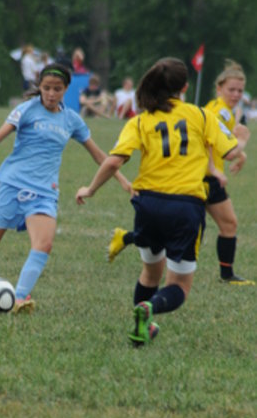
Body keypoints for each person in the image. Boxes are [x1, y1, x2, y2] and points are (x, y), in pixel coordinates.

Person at [76, 57, 249, 345]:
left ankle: (140, 329)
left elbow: (114, 161)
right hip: (185, 207)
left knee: (149, 273)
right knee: (179, 285)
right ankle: (150, 308)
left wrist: (90, 189)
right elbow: (231, 152)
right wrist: (242, 139)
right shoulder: (201, 115)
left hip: (148, 204)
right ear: (184, 87)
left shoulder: (141, 120)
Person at [0, 62, 130, 313]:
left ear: (66, 89)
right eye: (47, 88)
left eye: (57, 89)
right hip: (11, 185)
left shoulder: (72, 120)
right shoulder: (26, 110)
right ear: (39, 86)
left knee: (43, 245)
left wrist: (123, 180)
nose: (51, 94)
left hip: (44, 192)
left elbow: (99, 155)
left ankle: (20, 298)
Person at [203, 60, 254, 285]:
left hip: (209, 177)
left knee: (229, 224)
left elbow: (222, 142)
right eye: (231, 89)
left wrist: (240, 154)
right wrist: (241, 144)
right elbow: (210, 143)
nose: (236, 95)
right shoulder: (220, 112)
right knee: (180, 230)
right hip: (203, 177)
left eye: (240, 91)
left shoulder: (221, 110)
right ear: (219, 88)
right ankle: (127, 237)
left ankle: (227, 275)